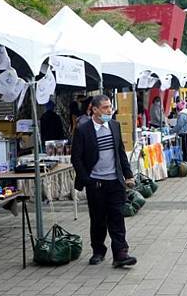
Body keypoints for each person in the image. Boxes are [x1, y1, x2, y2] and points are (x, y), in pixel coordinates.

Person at [71, 95, 137, 268]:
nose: (110, 110)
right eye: (106, 108)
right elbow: (76, 158)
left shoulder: (114, 126)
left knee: (117, 218)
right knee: (98, 220)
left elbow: (120, 152)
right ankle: (98, 251)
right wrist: (87, 180)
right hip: (96, 183)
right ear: (95, 110)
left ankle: (121, 253)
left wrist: (128, 175)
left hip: (115, 181)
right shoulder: (83, 130)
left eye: (110, 107)